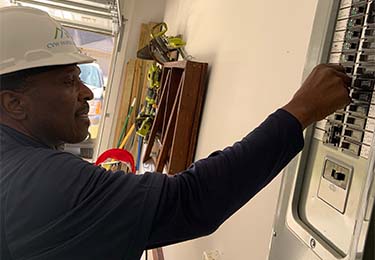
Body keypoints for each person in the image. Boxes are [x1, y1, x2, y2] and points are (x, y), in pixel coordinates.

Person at [0, 6, 351, 260]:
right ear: (15, 103)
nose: (87, 91)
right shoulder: (37, 179)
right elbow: (192, 200)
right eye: (67, 81)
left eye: (79, 77)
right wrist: (301, 111)